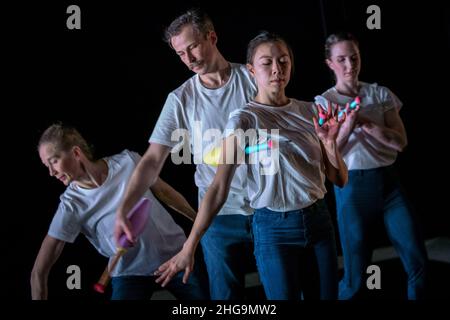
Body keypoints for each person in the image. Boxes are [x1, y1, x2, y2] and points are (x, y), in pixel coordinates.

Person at [155, 31, 348, 300]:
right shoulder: (244, 120)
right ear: (251, 70)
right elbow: (218, 187)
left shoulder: (311, 112)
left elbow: (339, 180)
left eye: (283, 61)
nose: (276, 70)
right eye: (266, 63)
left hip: (319, 221)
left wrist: (330, 143)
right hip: (274, 228)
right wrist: (190, 245)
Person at [114, 9, 257, 300]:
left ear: (212, 37)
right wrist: (123, 208)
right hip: (215, 216)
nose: (188, 59)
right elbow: (152, 159)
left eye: (192, 47)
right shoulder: (181, 98)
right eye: (180, 53)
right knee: (225, 298)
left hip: (266, 206)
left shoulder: (253, 78)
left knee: (283, 288)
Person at [31, 123, 209, 300]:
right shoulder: (71, 205)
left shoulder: (128, 162)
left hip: (176, 258)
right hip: (129, 275)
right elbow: (39, 271)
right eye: (46, 165)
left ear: (76, 153)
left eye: (54, 161)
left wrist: (202, 222)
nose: (51, 172)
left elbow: (165, 192)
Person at [314, 32, 428, 299]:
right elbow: (329, 157)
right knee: (355, 277)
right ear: (330, 63)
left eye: (354, 58)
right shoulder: (324, 102)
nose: (350, 66)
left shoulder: (380, 93)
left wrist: (366, 122)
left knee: (418, 261)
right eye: (341, 59)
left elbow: (400, 142)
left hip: (389, 185)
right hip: (353, 188)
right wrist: (347, 127)